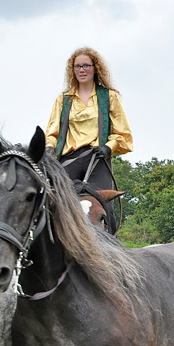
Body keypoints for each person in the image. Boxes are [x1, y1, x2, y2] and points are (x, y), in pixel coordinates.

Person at [44, 47, 134, 226]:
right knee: (54, 205)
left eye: (86, 65)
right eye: (77, 66)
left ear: (95, 68)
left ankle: (111, 240)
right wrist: (48, 148)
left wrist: (108, 147)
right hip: (69, 160)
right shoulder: (64, 99)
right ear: (72, 70)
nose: (82, 70)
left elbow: (123, 133)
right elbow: (52, 133)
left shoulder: (109, 97)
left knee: (104, 206)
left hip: (97, 159)